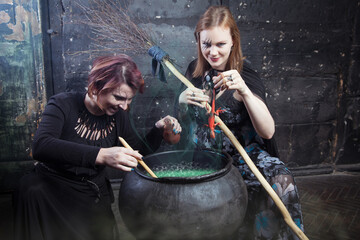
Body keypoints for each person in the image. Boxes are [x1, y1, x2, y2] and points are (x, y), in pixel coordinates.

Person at [13, 54, 182, 240]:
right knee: (31, 188)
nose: (125, 107)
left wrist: (158, 129)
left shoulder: (119, 115)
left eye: (129, 100)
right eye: (119, 97)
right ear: (95, 87)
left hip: (88, 193)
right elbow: (41, 146)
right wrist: (100, 155)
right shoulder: (63, 104)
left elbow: (137, 153)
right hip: (52, 190)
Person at [177, 6, 304, 240]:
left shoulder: (245, 75)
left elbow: (267, 132)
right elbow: (184, 127)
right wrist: (181, 101)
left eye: (220, 44)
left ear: (233, 41)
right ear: (199, 42)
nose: (212, 52)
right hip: (206, 155)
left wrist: (244, 91)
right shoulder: (193, 74)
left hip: (243, 155)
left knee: (281, 178)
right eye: (206, 44)